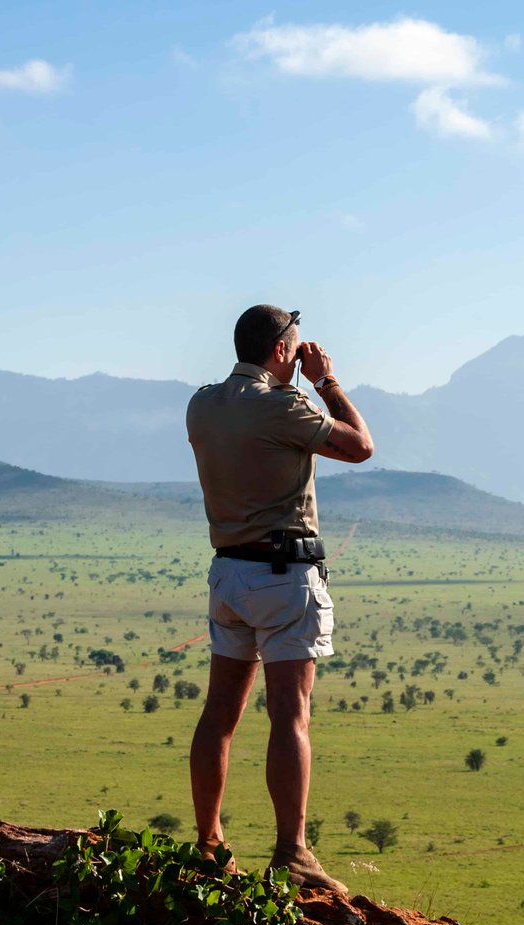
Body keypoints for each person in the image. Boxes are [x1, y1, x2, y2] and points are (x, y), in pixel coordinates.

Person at [185, 304, 374, 893]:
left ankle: (209, 844)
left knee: (220, 715)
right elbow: (360, 446)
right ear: (282, 351)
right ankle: (292, 852)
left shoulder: (203, 404)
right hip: (283, 577)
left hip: (228, 577)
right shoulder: (284, 406)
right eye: (295, 347)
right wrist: (326, 382)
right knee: (290, 714)